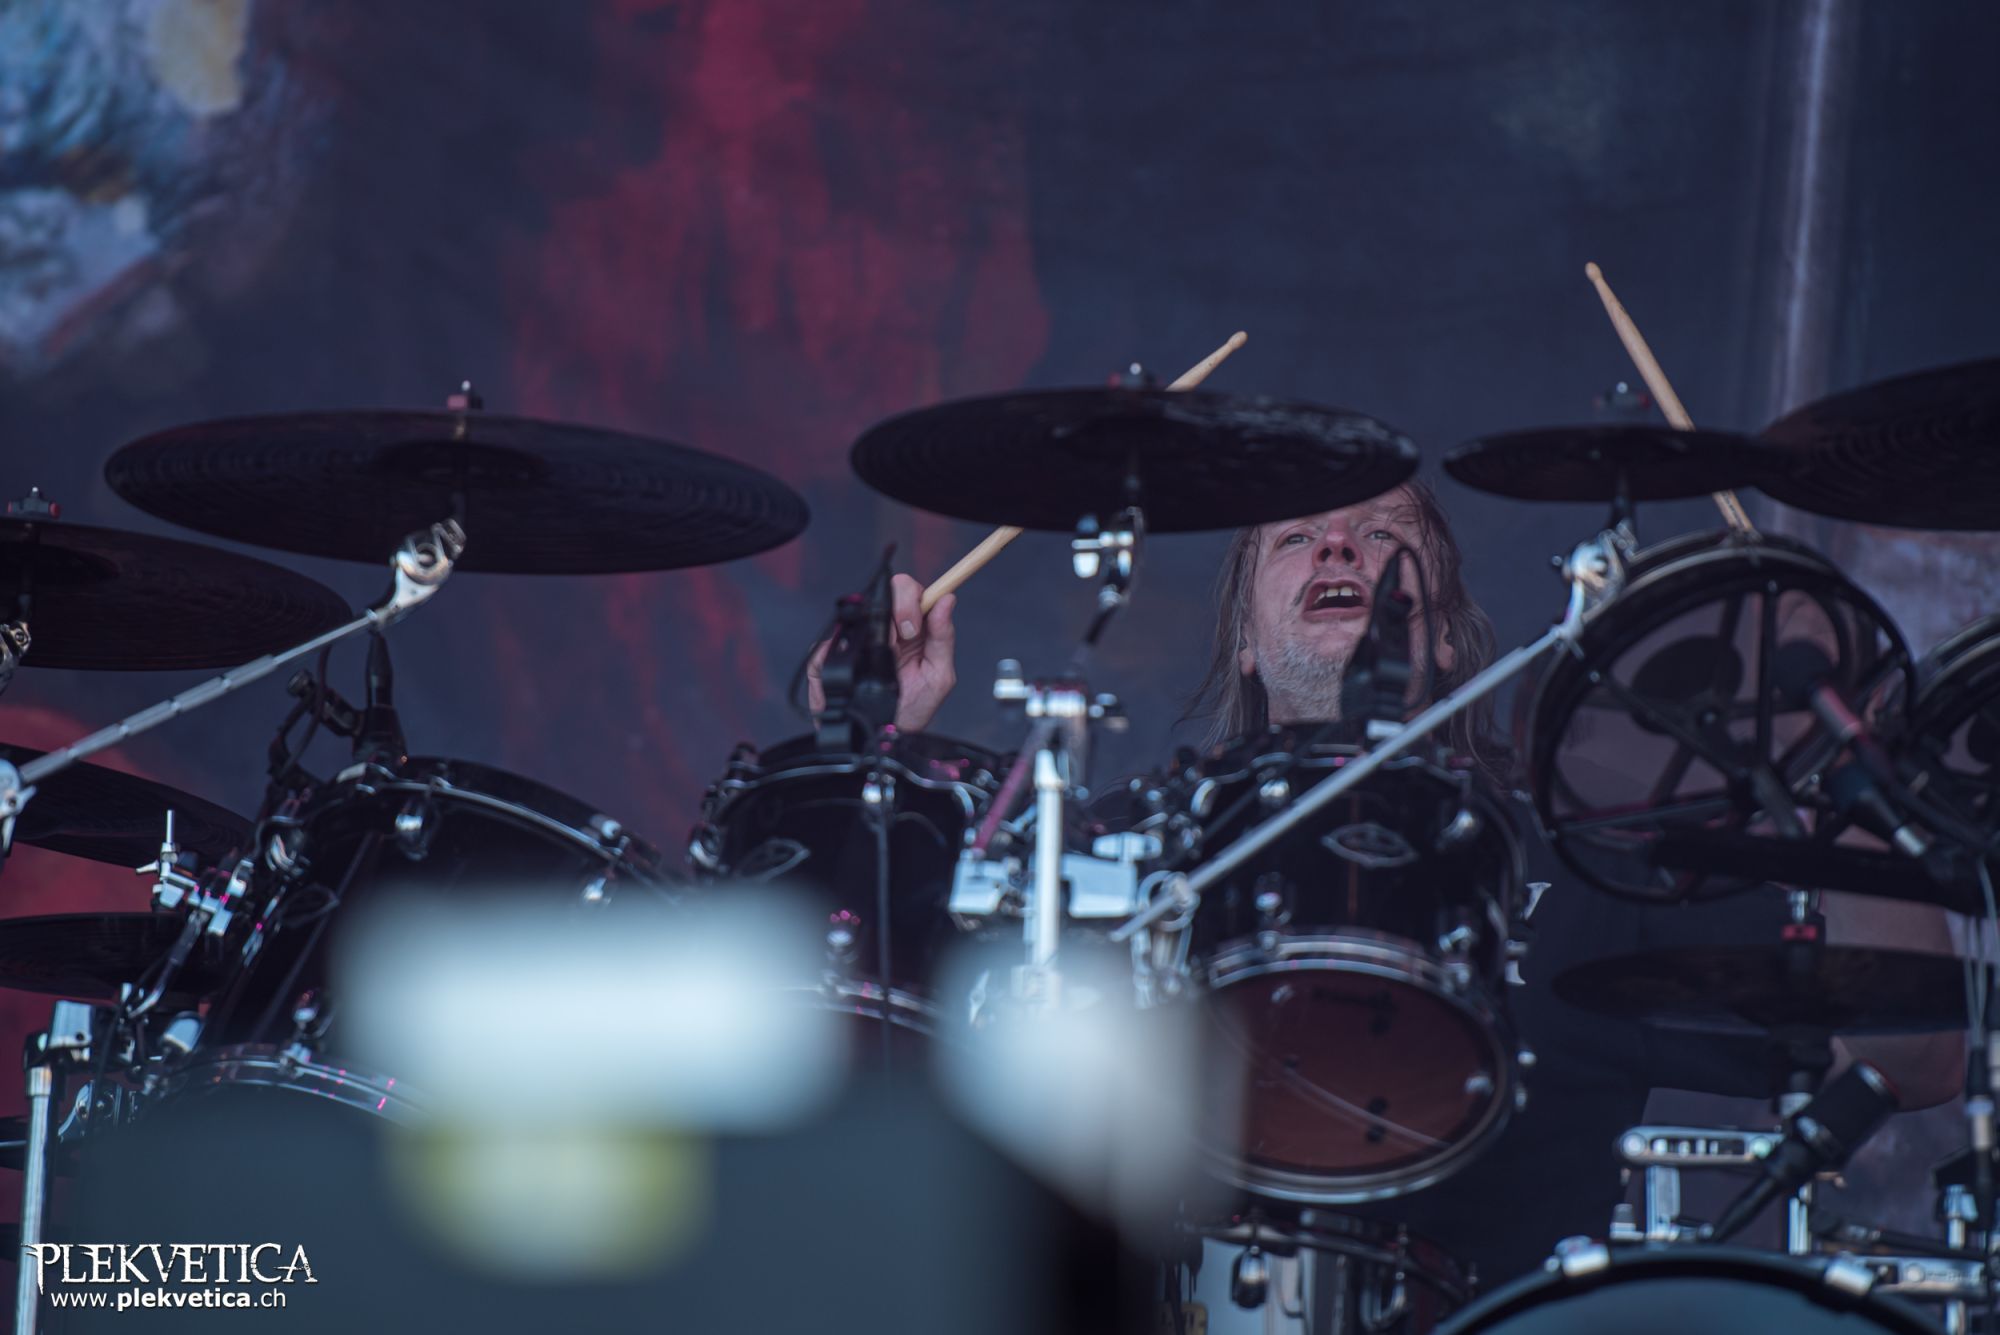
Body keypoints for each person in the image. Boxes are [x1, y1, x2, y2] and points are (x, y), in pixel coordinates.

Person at [810, 478, 1965, 1289]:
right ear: (1245, 640)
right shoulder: (1122, 857)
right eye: (1296, 538)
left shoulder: (1580, 857)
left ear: (1447, 641)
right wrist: (871, 751)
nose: (1339, 551)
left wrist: (1847, 774)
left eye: (1379, 536)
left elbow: (1914, 1060)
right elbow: (858, 1039)